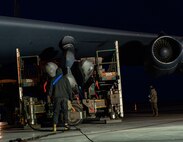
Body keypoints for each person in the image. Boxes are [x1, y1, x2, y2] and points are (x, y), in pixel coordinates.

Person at [45, 62, 73, 132]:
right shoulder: (65, 79)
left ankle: (54, 126)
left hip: (56, 98)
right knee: (65, 111)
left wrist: (49, 97)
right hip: (64, 98)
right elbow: (69, 89)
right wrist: (71, 98)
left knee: (56, 112)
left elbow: (50, 90)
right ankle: (66, 124)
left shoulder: (53, 79)